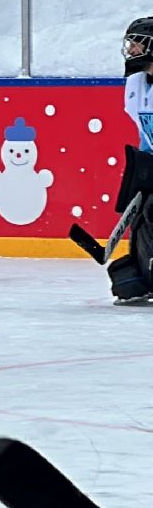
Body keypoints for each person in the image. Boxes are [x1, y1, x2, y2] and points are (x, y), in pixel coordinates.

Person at [105, 17, 153, 302]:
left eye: (138, 43)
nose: (132, 48)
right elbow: (144, 134)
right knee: (143, 216)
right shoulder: (135, 84)